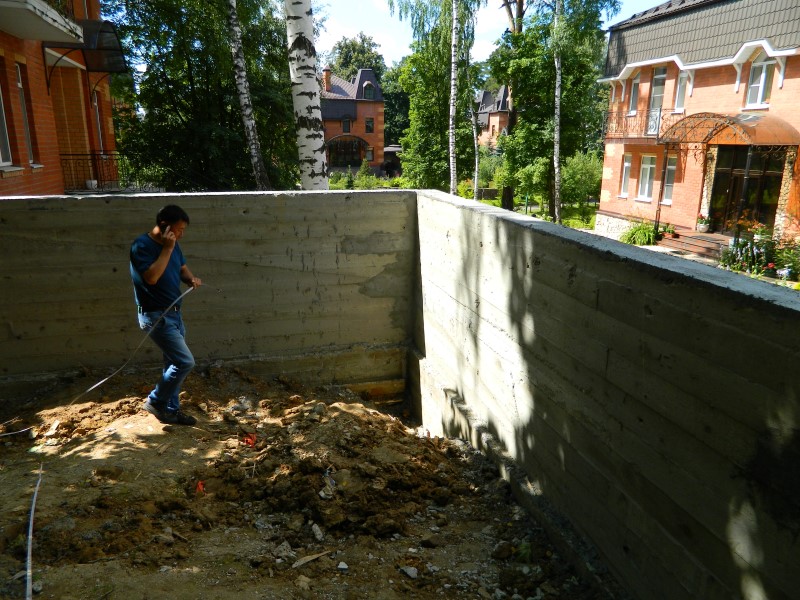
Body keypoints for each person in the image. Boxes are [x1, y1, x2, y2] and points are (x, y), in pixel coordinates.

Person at [130, 204, 201, 426]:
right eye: (179, 230)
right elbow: (151, 277)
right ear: (164, 226)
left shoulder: (174, 245)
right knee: (184, 362)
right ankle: (155, 401)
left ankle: (171, 410)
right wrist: (167, 249)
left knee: (173, 364)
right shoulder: (142, 246)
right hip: (156, 316)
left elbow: (182, 268)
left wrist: (190, 279)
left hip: (174, 314)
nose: (181, 235)